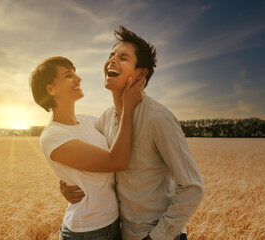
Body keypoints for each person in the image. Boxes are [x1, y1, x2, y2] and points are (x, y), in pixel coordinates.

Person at [60, 26, 205, 240]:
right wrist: (66, 184)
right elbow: (96, 165)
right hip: (122, 234)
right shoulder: (105, 119)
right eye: (111, 55)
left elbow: (193, 187)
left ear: (141, 73)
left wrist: (157, 236)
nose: (112, 60)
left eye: (123, 57)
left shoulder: (158, 118)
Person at [29, 56, 146, 240]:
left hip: (110, 222)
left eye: (75, 73)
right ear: (50, 89)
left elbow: (122, 137)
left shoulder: (89, 121)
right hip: (89, 231)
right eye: (68, 75)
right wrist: (129, 105)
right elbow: (117, 160)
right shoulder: (53, 136)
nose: (78, 78)